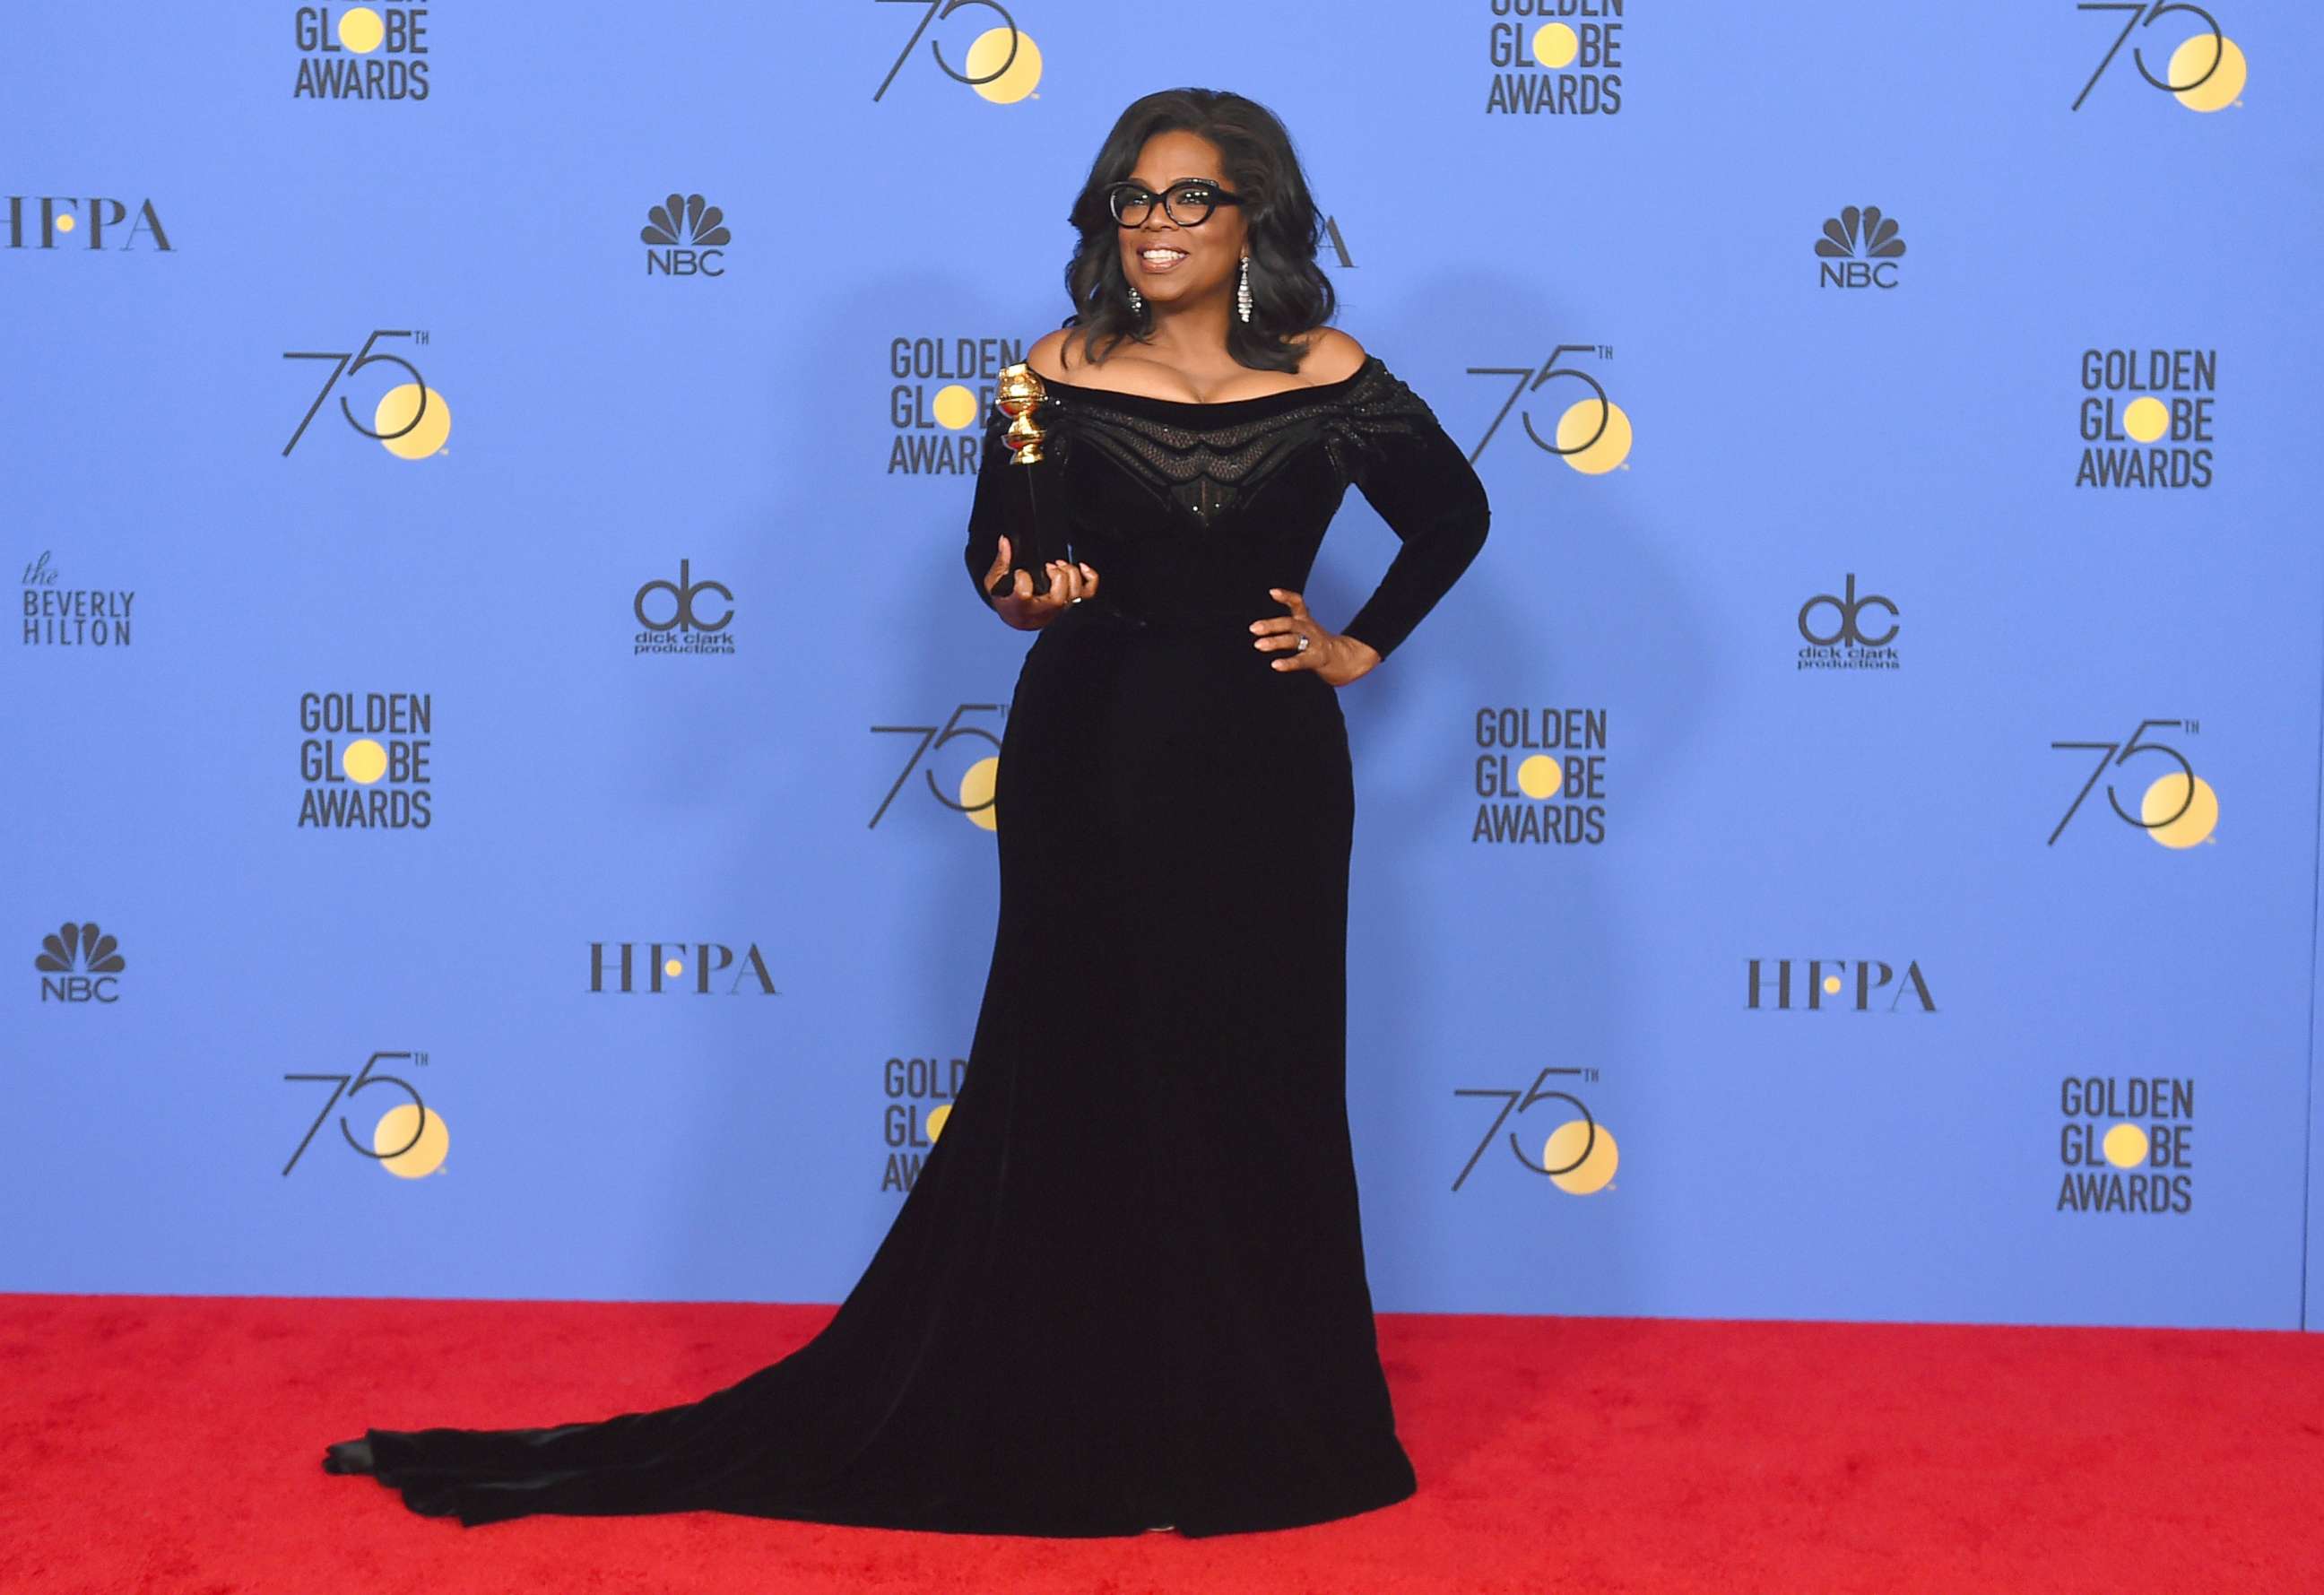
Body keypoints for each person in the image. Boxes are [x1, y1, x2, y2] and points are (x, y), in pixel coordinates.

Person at [320, 85, 1491, 1540]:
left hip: (1269, 772)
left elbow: (1453, 514)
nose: (1154, 224)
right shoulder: (1046, 376)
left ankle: (1268, 1425)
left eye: (1189, 197)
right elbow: (1002, 570)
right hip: (1094, 754)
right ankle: (1086, 1415)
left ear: (1256, 212)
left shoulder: (1336, 372)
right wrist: (1028, 594)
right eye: (1132, 197)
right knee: (1086, 1069)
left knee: (1260, 1071)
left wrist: (1356, 643)